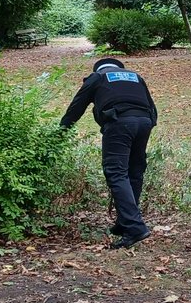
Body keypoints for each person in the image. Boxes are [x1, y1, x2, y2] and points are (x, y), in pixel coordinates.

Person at [60, 57, 158, 249]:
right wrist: (147, 125)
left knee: (116, 172)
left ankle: (135, 227)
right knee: (134, 173)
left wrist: (61, 130)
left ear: (99, 68)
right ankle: (125, 223)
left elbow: (77, 105)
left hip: (119, 122)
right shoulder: (135, 77)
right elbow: (152, 107)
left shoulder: (97, 77)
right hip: (144, 122)